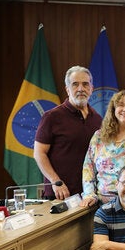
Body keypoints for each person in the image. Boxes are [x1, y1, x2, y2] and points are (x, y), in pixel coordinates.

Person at [34, 65, 102, 200]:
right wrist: (56, 181)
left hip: (90, 195)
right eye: (75, 84)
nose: (81, 89)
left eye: (85, 84)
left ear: (91, 89)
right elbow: (39, 153)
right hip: (60, 194)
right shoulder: (52, 117)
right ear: (67, 89)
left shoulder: (98, 119)